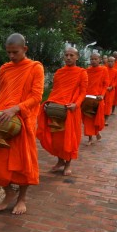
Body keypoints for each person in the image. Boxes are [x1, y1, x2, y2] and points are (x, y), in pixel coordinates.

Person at [0, 33, 44, 215]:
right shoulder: (4, 69)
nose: (11, 56)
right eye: (8, 52)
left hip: (23, 120)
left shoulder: (35, 68)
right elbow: (3, 94)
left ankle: (22, 199)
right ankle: (8, 192)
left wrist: (16, 109)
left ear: (25, 49)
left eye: (15, 52)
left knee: (23, 163)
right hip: (2, 120)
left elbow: (37, 96)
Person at [37, 47, 87, 176]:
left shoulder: (82, 73)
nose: (68, 57)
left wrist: (76, 104)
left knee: (69, 138)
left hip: (71, 110)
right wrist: (49, 102)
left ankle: (68, 164)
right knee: (56, 138)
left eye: (71, 55)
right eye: (66, 55)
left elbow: (83, 92)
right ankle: (60, 161)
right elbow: (55, 90)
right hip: (57, 108)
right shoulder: (59, 72)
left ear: (77, 57)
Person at [83, 52, 109, 145]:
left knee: (97, 119)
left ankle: (97, 132)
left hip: (98, 98)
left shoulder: (103, 70)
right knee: (87, 119)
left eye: (95, 59)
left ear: (100, 60)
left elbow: (106, 84)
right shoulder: (87, 71)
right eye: (92, 59)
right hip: (87, 98)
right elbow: (84, 84)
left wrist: (101, 95)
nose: (93, 61)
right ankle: (90, 139)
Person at [104, 56, 117, 123]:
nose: (110, 63)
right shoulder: (104, 69)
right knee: (102, 104)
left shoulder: (116, 71)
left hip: (111, 90)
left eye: (112, 61)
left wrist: (111, 87)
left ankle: (106, 119)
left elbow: (116, 81)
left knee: (108, 104)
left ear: (114, 62)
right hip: (103, 90)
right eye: (109, 61)